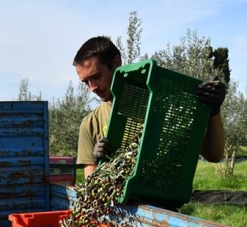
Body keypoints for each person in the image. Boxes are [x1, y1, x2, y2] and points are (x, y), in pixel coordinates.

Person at [73, 36, 226, 177]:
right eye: (86, 82)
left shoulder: (162, 102)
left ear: (116, 63)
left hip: (165, 202)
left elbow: (214, 155)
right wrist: (100, 162)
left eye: (96, 77)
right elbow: (91, 185)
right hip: (119, 205)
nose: (92, 88)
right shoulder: (90, 123)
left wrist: (213, 111)